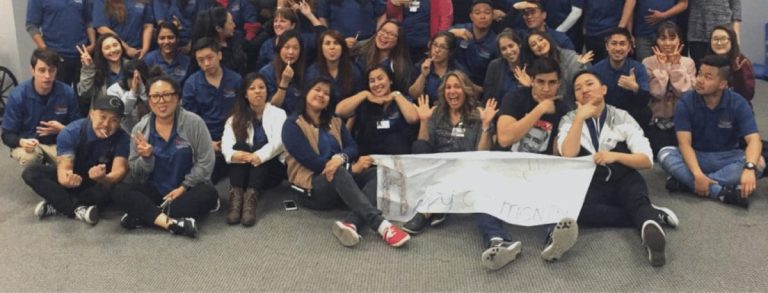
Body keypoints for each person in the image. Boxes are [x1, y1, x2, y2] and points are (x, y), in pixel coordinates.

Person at [558, 70, 679, 267]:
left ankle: (650, 230)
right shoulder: (569, 119)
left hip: (623, 176)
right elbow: (568, 153)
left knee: (635, 194)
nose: (584, 90)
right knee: (580, 212)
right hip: (591, 181)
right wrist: (579, 119)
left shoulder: (622, 116)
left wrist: (614, 156)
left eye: (589, 84)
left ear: (604, 89)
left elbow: (646, 160)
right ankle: (648, 214)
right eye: (578, 88)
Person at [282, 77, 411, 247]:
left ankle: (352, 223)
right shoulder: (292, 125)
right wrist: (350, 167)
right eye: (317, 90)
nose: (321, 95)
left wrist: (341, 159)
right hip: (311, 188)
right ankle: (381, 225)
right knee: (338, 171)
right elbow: (313, 163)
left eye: (326, 93)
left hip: (340, 179)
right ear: (306, 92)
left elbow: (352, 147)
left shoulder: (334, 120)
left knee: (378, 172)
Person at [473, 58, 576, 270]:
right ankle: (498, 241)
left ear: (559, 84)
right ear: (532, 81)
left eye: (552, 82)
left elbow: (560, 153)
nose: (546, 88)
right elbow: (504, 138)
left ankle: (553, 238)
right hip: (504, 168)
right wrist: (539, 110)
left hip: (538, 171)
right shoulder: (515, 98)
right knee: (481, 188)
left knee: (563, 182)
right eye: (540, 82)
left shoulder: (564, 108)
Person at [112, 75, 219, 238]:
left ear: (177, 97)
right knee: (118, 190)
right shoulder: (140, 129)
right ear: (149, 100)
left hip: (187, 189)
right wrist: (146, 158)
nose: (161, 101)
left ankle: (145, 215)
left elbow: (206, 163)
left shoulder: (194, 123)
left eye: (167, 95)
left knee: (208, 194)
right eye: (155, 96)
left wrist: (183, 187)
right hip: (156, 190)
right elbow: (136, 173)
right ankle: (173, 223)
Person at [658, 55, 762, 209]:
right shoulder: (686, 102)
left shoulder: (738, 103)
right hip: (696, 156)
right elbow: (684, 144)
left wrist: (749, 168)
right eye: (699, 74)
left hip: (727, 157)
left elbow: (754, 140)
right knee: (664, 153)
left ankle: (687, 184)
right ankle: (719, 191)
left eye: (707, 77)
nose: (699, 80)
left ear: (722, 84)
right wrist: (698, 174)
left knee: (758, 164)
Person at [22, 95, 130, 226]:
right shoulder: (71, 132)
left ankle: (59, 204)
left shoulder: (123, 138)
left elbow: (120, 171)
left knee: (116, 187)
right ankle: (77, 208)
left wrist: (104, 178)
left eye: (114, 120)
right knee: (31, 172)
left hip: (96, 182)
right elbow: (64, 169)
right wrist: (66, 179)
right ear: (91, 113)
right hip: (75, 174)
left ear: (119, 122)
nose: (106, 124)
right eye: (102, 117)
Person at [221, 73, 287, 227]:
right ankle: (236, 199)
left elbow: (280, 142)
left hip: (270, 172)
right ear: (245, 94)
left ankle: (250, 201)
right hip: (244, 172)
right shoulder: (234, 118)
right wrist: (234, 155)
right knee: (240, 146)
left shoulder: (278, 114)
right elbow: (226, 145)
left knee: (258, 147)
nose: (258, 91)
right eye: (252, 88)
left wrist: (259, 155)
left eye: (261, 87)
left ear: (267, 91)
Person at [2, 48, 81, 167]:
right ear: (32, 70)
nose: (47, 76)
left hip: (57, 143)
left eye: (52, 70)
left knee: (76, 161)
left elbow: (78, 128)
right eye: (42, 70)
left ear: (56, 71)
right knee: (30, 159)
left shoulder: (67, 92)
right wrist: (21, 141)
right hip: (29, 145)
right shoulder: (18, 96)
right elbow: (6, 135)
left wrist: (63, 129)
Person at [183, 37, 243, 183]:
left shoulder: (236, 80)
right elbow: (188, 120)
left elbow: (243, 114)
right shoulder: (192, 84)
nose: (206, 64)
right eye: (201, 60)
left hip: (234, 136)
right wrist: (208, 142)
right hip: (205, 138)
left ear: (219, 55)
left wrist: (229, 140)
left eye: (210, 57)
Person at [335, 65, 419, 155]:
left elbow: (413, 118)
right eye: (372, 81)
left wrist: (396, 95)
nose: (376, 84)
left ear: (390, 80)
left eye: (380, 78)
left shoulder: (401, 99)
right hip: (370, 160)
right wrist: (364, 94)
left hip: (398, 159)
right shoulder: (364, 102)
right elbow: (339, 111)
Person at [642, 21, 695, 156]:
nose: (667, 43)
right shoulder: (648, 62)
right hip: (657, 120)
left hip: (682, 120)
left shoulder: (688, 63)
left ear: (679, 40)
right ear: (657, 40)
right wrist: (662, 68)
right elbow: (657, 93)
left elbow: (685, 94)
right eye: (663, 38)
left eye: (672, 38)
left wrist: (676, 67)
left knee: (687, 150)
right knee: (661, 151)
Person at [26, 0, 95, 88]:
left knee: (85, 98)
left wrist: (93, 43)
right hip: (56, 58)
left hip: (82, 56)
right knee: (59, 97)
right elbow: (31, 25)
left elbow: (89, 21)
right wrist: (45, 49)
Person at [591, 27, 652, 127]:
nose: (618, 48)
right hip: (604, 115)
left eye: (622, 44)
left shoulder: (638, 68)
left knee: (645, 112)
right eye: (614, 43)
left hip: (630, 116)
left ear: (629, 48)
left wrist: (635, 87)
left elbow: (645, 101)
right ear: (607, 46)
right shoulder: (596, 70)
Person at [525, 30, 592, 107]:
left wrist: (578, 65)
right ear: (531, 51)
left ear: (548, 39)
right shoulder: (531, 69)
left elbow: (579, 84)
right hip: (544, 108)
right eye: (533, 45)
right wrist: (529, 87)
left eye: (541, 39)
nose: (539, 44)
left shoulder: (570, 57)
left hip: (572, 106)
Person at [306, 29, 363, 110]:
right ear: (321, 48)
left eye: (336, 43)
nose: (332, 47)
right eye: (327, 43)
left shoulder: (353, 71)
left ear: (342, 47)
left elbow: (358, 101)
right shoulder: (313, 71)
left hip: (348, 117)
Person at [352, 19, 412, 92]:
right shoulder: (359, 48)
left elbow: (404, 93)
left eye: (391, 34)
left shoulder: (401, 65)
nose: (385, 35)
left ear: (398, 41)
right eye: (383, 30)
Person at [386, 0, 454, 62]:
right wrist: (395, 4)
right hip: (401, 45)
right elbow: (390, 16)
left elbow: (446, 21)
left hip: (426, 47)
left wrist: (436, 42)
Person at [77, 33, 128, 115]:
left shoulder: (132, 66)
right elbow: (84, 93)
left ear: (121, 46)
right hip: (103, 116)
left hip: (129, 118)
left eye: (115, 45)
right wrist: (88, 68)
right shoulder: (96, 70)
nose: (113, 50)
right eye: (107, 48)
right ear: (101, 52)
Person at [408, 31, 465, 105]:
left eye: (443, 47)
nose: (437, 50)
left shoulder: (458, 70)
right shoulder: (420, 65)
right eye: (435, 45)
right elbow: (413, 95)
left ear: (450, 52)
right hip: (424, 110)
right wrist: (423, 75)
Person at [449, 0, 498, 85]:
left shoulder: (495, 42)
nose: (482, 16)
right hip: (452, 79)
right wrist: (452, 32)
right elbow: (436, 38)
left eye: (487, 12)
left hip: (476, 86)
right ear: (471, 16)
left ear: (493, 16)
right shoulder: (460, 29)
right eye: (477, 13)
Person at [259, 29, 306, 115]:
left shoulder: (305, 71)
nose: (291, 52)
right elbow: (271, 107)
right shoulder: (266, 72)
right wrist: (284, 82)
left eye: (295, 48)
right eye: (287, 47)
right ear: (279, 49)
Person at [190, 6, 248, 74]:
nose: (234, 25)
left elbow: (252, 47)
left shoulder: (236, 37)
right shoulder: (206, 48)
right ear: (219, 28)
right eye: (230, 23)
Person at [708, 24, 754, 106]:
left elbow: (748, 95)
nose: (719, 43)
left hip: (737, 108)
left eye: (723, 39)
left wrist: (738, 73)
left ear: (732, 40)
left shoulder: (741, 62)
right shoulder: (706, 62)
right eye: (715, 39)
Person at [687, 0, 741, 66]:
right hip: (698, 30)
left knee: (725, 69)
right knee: (700, 68)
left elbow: (736, 5)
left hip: (722, 30)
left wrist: (736, 35)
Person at [482, 28, 526, 103]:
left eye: (511, 46)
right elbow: (488, 97)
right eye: (503, 49)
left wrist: (528, 87)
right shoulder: (494, 66)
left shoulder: (531, 65)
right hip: (499, 112)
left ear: (519, 44)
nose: (508, 51)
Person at [106, 59, 149, 132]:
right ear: (126, 78)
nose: (137, 82)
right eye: (133, 79)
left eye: (139, 79)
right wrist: (133, 93)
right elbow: (119, 112)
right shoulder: (113, 90)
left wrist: (143, 92)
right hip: (124, 133)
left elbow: (155, 108)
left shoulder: (151, 86)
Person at [316, 0, 387, 41]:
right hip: (339, 44)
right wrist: (331, 40)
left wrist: (376, 37)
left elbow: (382, 15)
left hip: (367, 43)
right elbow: (322, 18)